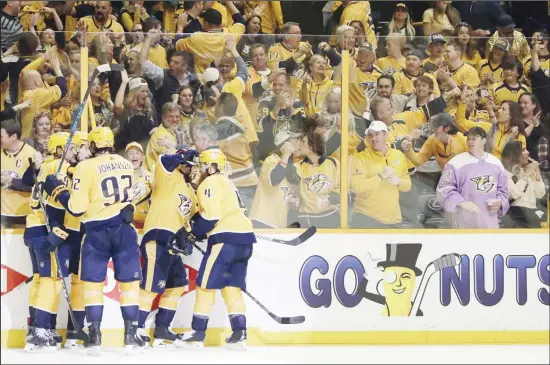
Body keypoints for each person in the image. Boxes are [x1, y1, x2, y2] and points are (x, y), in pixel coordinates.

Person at [42, 127, 145, 355]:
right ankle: (130, 335)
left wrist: (58, 191)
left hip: (97, 231)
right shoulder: (125, 163)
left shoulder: (85, 166)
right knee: (129, 285)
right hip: (124, 229)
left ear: (93, 145)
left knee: (92, 284)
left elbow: (77, 209)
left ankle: (95, 336)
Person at [180, 148, 256, 350]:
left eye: (203, 165)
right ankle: (239, 333)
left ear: (212, 167)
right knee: (232, 287)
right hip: (245, 239)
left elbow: (211, 217)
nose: (200, 168)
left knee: (205, 285)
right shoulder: (227, 182)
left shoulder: (210, 182)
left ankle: (198, 333)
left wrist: (192, 232)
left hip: (225, 240)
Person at [137, 149, 198, 347]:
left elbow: (190, 221)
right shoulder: (168, 176)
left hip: (173, 246)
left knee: (178, 284)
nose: (193, 169)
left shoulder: (191, 192)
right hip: (157, 237)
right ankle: (137, 329)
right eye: (190, 165)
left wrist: (187, 238)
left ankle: (162, 329)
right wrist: (182, 155)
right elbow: (164, 160)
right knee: (151, 287)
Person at [23, 132, 77, 352]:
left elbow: (29, 180)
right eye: (71, 148)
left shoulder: (45, 166)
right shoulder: (59, 168)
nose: (74, 152)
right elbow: (66, 204)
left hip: (32, 229)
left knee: (40, 280)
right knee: (51, 281)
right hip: (47, 231)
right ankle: (40, 330)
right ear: (60, 149)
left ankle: (41, 328)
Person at [436, 126, 509, 229]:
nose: (470, 141)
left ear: (484, 140)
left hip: (489, 223)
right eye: (468, 139)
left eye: (474, 138)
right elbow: (444, 189)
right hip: (464, 222)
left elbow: (503, 191)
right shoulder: (456, 163)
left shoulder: (496, 163)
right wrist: (460, 202)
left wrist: (500, 202)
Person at [350, 120, 411, 228]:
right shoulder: (361, 157)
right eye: (370, 135)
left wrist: (398, 181)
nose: (373, 138)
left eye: (377, 134)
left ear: (386, 135)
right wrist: (380, 176)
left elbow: (407, 185)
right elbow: (356, 187)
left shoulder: (398, 155)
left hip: (393, 219)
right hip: (366, 217)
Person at [1, 119, 41, 228]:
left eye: (1, 136)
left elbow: (32, 186)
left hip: (23, 214)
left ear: (13, 137)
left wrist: (10, 181)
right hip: (2, 215)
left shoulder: (31, 154)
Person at [500, 141, 545, 228]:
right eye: (523, 150)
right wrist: (526, 175)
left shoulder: (528, 170)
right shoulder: (505, 173)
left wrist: (537, 173)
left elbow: (540, 194)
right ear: (513, 154)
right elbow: (513, 194)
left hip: (532, 214)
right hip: (516, 214)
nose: (528, 152)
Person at [124, 142, 151, 229]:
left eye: (137, 153)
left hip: (144, 226)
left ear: (142, 158)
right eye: (131, 153)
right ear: (125, 158)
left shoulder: (150, 177)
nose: (134, 156)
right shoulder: (120, 177)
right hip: (124, 225)